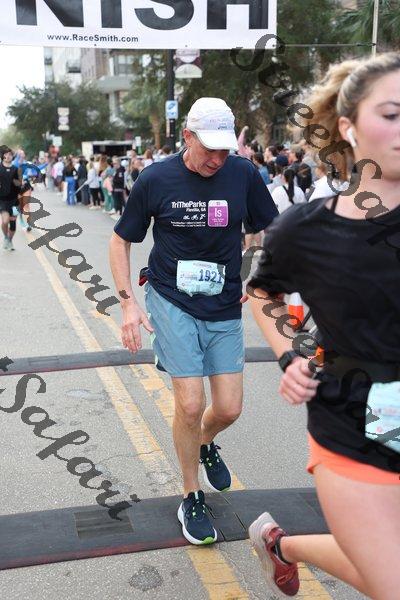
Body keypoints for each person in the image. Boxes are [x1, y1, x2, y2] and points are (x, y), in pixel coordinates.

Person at [247, 52, 400, 599]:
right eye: (392, 114)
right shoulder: (306, 228)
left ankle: (282, 546)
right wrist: (290, 354)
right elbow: (261, 291)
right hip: (353, 428)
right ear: (348, 126)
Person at [109, 97, 277, 546]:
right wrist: (128, 304)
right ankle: (191, 495)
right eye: (209, 149)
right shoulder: (156, 178)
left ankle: (204, 441)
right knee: (188, 403)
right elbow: (121, 240)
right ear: (187, 136)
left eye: (225, 150)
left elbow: (265, 228)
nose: (217, 159)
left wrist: (253, 270)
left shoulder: (243, 174)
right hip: (171, 299)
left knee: (228, 408)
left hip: (223, 303)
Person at [0, 146, 21, 250]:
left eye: (10, 154)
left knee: (13, 224)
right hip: (3, 200)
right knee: (5, 221)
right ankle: (6, 238)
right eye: (6, 154)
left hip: (15, 201)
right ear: (2, 156)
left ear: (13, 156)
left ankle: (10, 240)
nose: (8, 156)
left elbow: (19, 185)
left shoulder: (16, 169)